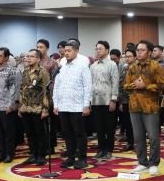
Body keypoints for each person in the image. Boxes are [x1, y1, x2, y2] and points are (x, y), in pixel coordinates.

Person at [124, 40, 164, 175]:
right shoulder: (132, 67)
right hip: (134, 106)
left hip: (150, 106)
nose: (139, 52)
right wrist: (134, 85)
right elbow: (125, 86)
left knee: (153, 136)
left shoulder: (156, 66)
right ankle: (142, 162)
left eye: (142, 50)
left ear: (149, 52)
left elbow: (162, 86)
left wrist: (146, 86)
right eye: (138, 50)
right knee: (138, 137)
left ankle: (154, 162)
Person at [54, 40, 92, 169]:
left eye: (69, 51)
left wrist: (86, 105)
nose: (66, 53)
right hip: (63, 106)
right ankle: (70, 157)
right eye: (65, 51)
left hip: (77, 106)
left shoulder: (82, 66)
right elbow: (56, 87)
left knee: (79, 134)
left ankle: (82, 158)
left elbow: (88, 87)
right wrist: (55, 104)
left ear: (76, 51)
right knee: (67, 133)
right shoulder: (62, 66)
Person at [0, 47, 22, 163]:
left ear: (6, 58)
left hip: (7, 106)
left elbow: (16, 90)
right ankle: (1, 153)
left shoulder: (13, 71)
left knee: (8, 132)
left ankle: (9, 154)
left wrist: (11, 105)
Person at [20, 49, 51, 165]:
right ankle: (32, 154)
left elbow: (46, 91)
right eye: (28, 56)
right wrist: (21, 107)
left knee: (39, 133)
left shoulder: (43, 72)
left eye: (31, 57)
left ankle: (41, 155)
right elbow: (22, 89)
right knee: (29, 133)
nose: (28, 58)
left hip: (38, 108)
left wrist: (45, 109)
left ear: (38, 59)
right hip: (26, 107)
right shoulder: (25, 71)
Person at [90, 41, 119, 160]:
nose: (97, 51)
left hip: (108, 101)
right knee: (99, 127)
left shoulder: (112, 64)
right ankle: (101, 148)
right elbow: (90, 83)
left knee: (109, 127)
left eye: (100, 49)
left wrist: (113, 99)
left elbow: (115, 82)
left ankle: (109, 149)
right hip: (96, 101)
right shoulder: (93, 66)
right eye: (96, 49)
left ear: (107, 50)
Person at [118, 49, 136, 152]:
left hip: (136, 99)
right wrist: (120, 100)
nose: (127, 58)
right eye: (125, 56)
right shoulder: (123, 67)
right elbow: (120, 84)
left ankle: (137, 142)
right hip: (125, 99)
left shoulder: (137, 67)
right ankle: (130, 142)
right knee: (127, 123)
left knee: (136, 123)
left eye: (129, 56)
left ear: (134, 57)